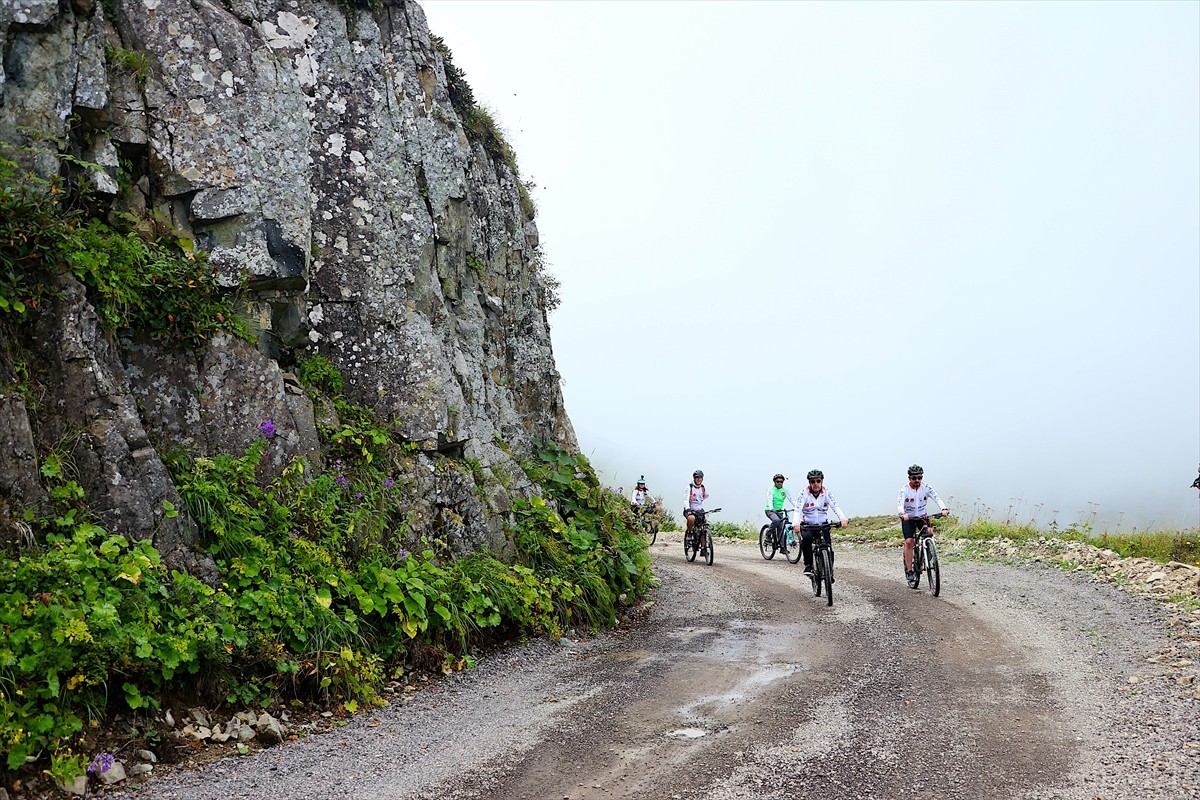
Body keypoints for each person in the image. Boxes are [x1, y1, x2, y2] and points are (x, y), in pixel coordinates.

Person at [897, 464, 949, 583]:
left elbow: (937, 498)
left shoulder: (926, 487)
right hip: (908, 518)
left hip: (922, 516)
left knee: (929, 531)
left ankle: (929, 551)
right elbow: (900, 503)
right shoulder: (904, 489)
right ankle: (910, 570)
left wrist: (944, 508)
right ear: (909, 478)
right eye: (914, 478)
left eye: (919, 477)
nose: (917, 480)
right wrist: (902, 513)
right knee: (909, 542)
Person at [791, 469, 848, 575]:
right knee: (806, 540)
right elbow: (798, 509)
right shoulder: (804, 493)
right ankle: (808, 565)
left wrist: (843, 518)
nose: (815, 484)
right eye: (813, 482)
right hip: (808, 525)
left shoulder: (827, 492)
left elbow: (835, 506)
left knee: (828, 546)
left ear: (822, 481)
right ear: (809, 483)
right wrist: (796, 523)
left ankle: (829, 570)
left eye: (818, 481)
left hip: (823, 524)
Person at [763, 473, 795, 553]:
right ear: (774, 482)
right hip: (770, 510)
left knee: (781, 528)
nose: (779, 483)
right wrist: (771, 508)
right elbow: (769, 500)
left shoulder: (784, 490)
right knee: (776, 521)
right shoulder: (771, 490)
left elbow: (791, 499)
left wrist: (797, 507)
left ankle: (782, 547)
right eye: (777, 481)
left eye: (781, 481)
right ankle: (768, 534)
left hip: (780, 511)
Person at [683, 470, 712, 553]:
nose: (699, 479)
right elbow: (685, 500)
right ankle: (689, 533)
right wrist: (688, 509)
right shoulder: (689, 487)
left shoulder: (702, 488)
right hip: (689, 509)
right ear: (694, 478)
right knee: (691, 519)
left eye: (700, 478)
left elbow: (706, 496)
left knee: (703, 527)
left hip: (699, 510)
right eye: (697, 477)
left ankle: (703, 548)